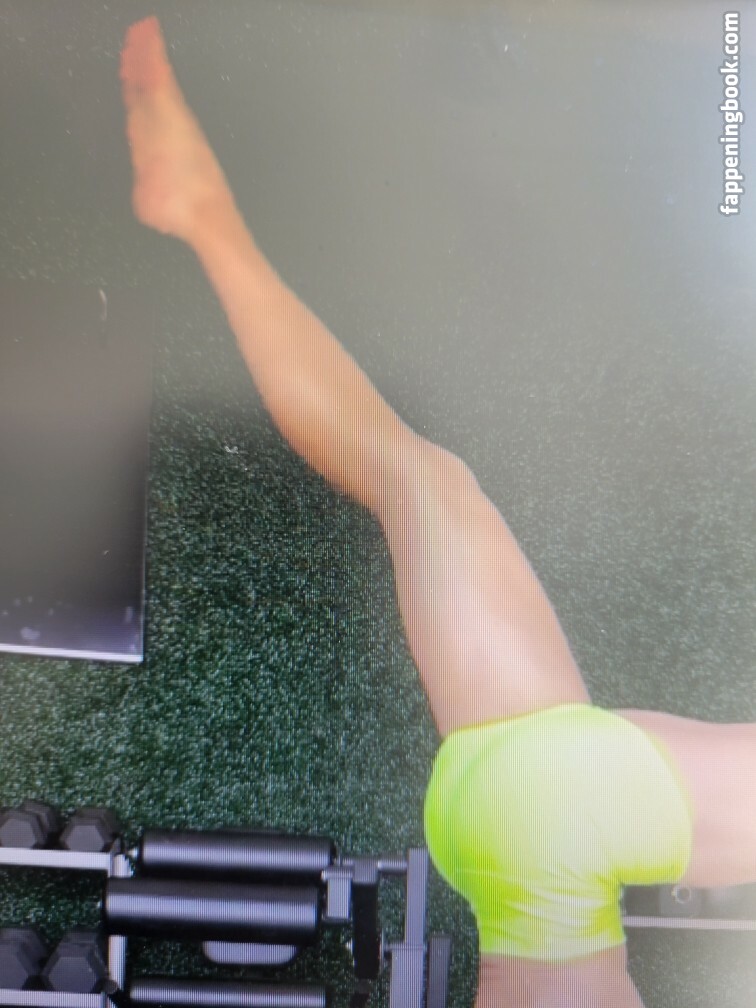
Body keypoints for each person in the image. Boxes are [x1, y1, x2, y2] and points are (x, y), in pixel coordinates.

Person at [119, 16, 756, 1006]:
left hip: (537, 820)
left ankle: (206, 219)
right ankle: (204, 217)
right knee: (413, 477)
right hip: (520, 823)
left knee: (412, 477)